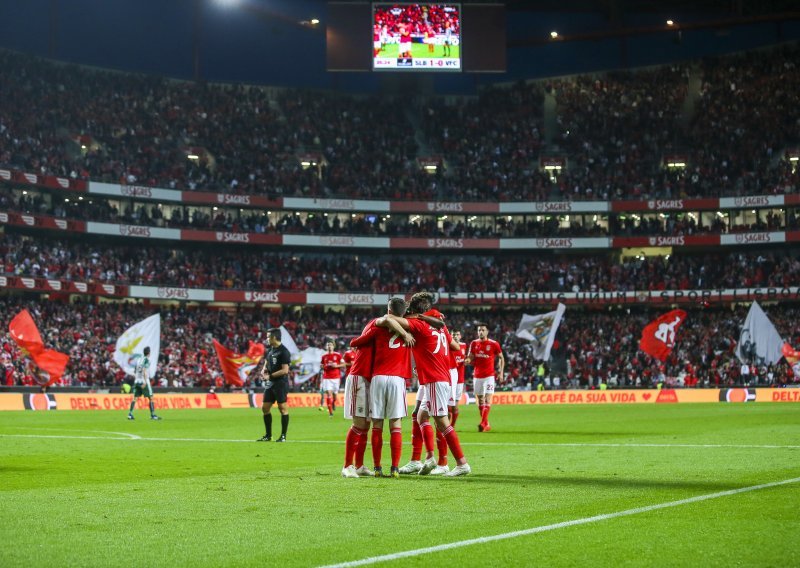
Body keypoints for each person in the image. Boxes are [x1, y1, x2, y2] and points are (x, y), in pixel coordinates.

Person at [390, 292, 471, 477]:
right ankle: (430, 458)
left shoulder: (419, 325)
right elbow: (455, 346)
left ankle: (461, 463)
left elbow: (392, 317)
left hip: (435, 378)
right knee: (421, 416)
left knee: (442, 421)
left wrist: (409, 322)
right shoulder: (440, 328)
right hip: (439, 376)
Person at [351, 297, 415, 477]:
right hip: (397, 378)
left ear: (388, 310)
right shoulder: (411, 327)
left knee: (377, 424)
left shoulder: (377, 327)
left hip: (378, 378)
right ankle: (395, 468)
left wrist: (354, 343)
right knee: (395, 424)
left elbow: (358, 341)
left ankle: (378, 468)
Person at [466, 322, 505, 432]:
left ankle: (482, 423)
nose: (481, 332)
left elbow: (501, 358)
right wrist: (467, 360)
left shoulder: (494, 344)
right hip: (477, 376)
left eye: (483, 330)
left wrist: (501, 372)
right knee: (480, 400)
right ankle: (486, 423)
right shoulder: (474, 343)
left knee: (488, 398)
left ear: (487, 332)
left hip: (489, 376)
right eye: (479, 330)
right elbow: (470, 357)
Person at [257, 328, 291, 442]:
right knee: (265, 408)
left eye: (268, 337)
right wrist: (263, 369)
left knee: (282, 408)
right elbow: (267, 361)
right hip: (270, 383)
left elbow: (285, 370)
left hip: (280, 383)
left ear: (274, 337)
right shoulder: (271, 350)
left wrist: (269, 376)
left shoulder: (284, 352)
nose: (266, 339)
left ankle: (283, 436)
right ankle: (268, 435)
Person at [127, 346, 160, 420]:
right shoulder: (147, 360)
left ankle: (130, 414)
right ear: (149, 353)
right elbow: (144, 370)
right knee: (151, 397)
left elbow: (135, 370)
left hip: (137, 381)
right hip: (143, 381)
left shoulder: (139, 359)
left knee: (135, 398)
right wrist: (145, 382)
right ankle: (153, 415)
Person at [320, 340, 346, 417]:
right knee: (328, 393)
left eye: (330, 345)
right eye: (328, 345)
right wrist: (324, 366)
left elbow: (344, 364)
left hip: (336, 378)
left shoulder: (338, 355)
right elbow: (321, 365)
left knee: (334, 395)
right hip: (327, 378)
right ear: (326, 347)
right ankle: (330, 413)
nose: (329, 346)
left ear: (333, 346)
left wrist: (336, 366)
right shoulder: (324, 356)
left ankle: (333, 403)